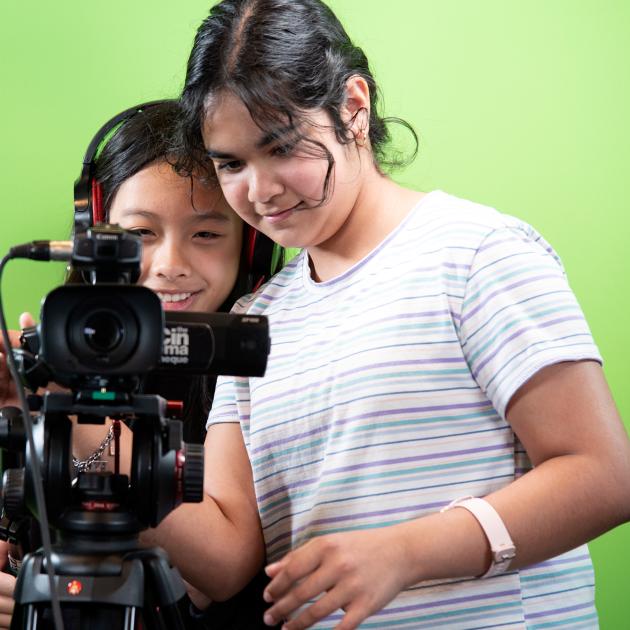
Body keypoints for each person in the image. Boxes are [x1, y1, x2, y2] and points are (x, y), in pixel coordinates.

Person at [139, 1, 630, 629]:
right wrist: (70, 424)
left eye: (282, 146)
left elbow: (602, 475)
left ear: (353, 107)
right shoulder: (258, 319)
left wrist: (404, 553)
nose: (258, 191)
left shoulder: (475, 252)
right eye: (231, 163)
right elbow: (228, 555)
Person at [0, 99, 281, 628]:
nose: (171, 265)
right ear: (92, 238)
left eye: (206, 234)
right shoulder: (39, 357)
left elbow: (215, 574)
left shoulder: (257, 368)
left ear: (251, 246)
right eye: (140, 235)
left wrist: (65, 410)